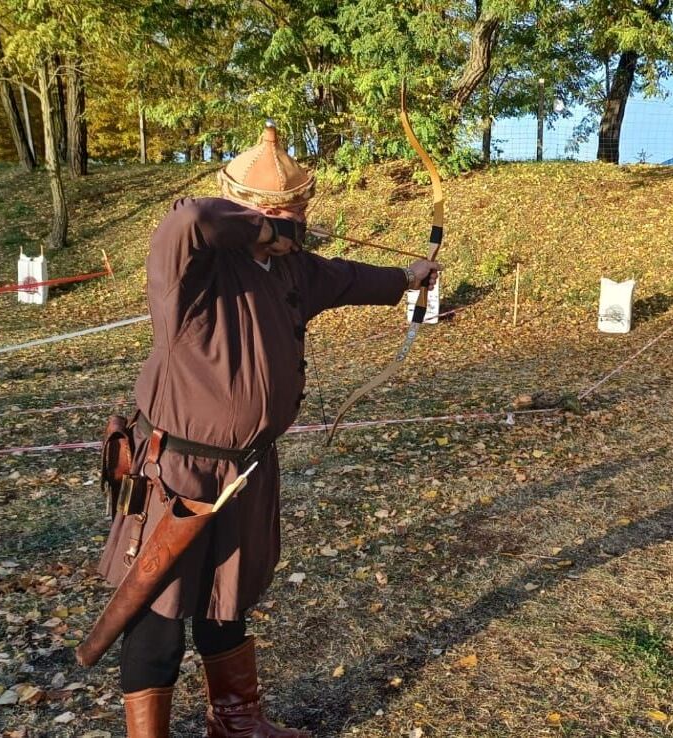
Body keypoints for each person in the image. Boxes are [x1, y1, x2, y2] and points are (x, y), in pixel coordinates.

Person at [95, 122, 440, 737]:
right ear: (244, 209)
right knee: (157, 613)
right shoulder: (192, 265)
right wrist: (261, 229)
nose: (290, 225)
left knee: (227, 598)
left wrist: (407, 277)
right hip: (176, 468)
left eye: (295, 213)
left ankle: (235, 722)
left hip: (246, 468)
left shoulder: (292, 271)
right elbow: (191, 218)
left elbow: (346, 277)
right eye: (275, 214)